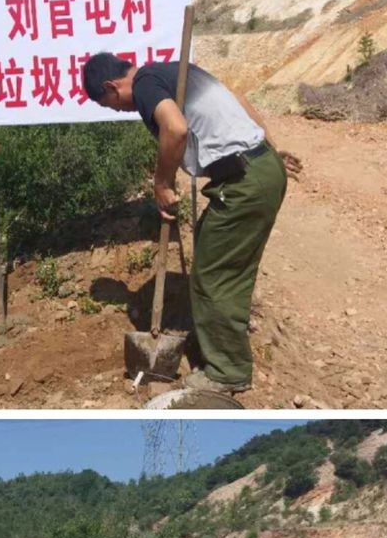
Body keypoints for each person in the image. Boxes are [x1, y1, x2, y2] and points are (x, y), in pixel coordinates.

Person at [83, 54, 302, 395]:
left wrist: (162, 182)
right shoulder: (171, 72)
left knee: (214, 275)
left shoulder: (144, 85)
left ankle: (227, 371)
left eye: (112, 105)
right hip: (258, 169)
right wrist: (267, 149)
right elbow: (237, 99)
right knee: (219, 254)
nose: (120, 111)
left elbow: (176, 128)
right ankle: (217, 340)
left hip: (243, 181)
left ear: (112, 86)